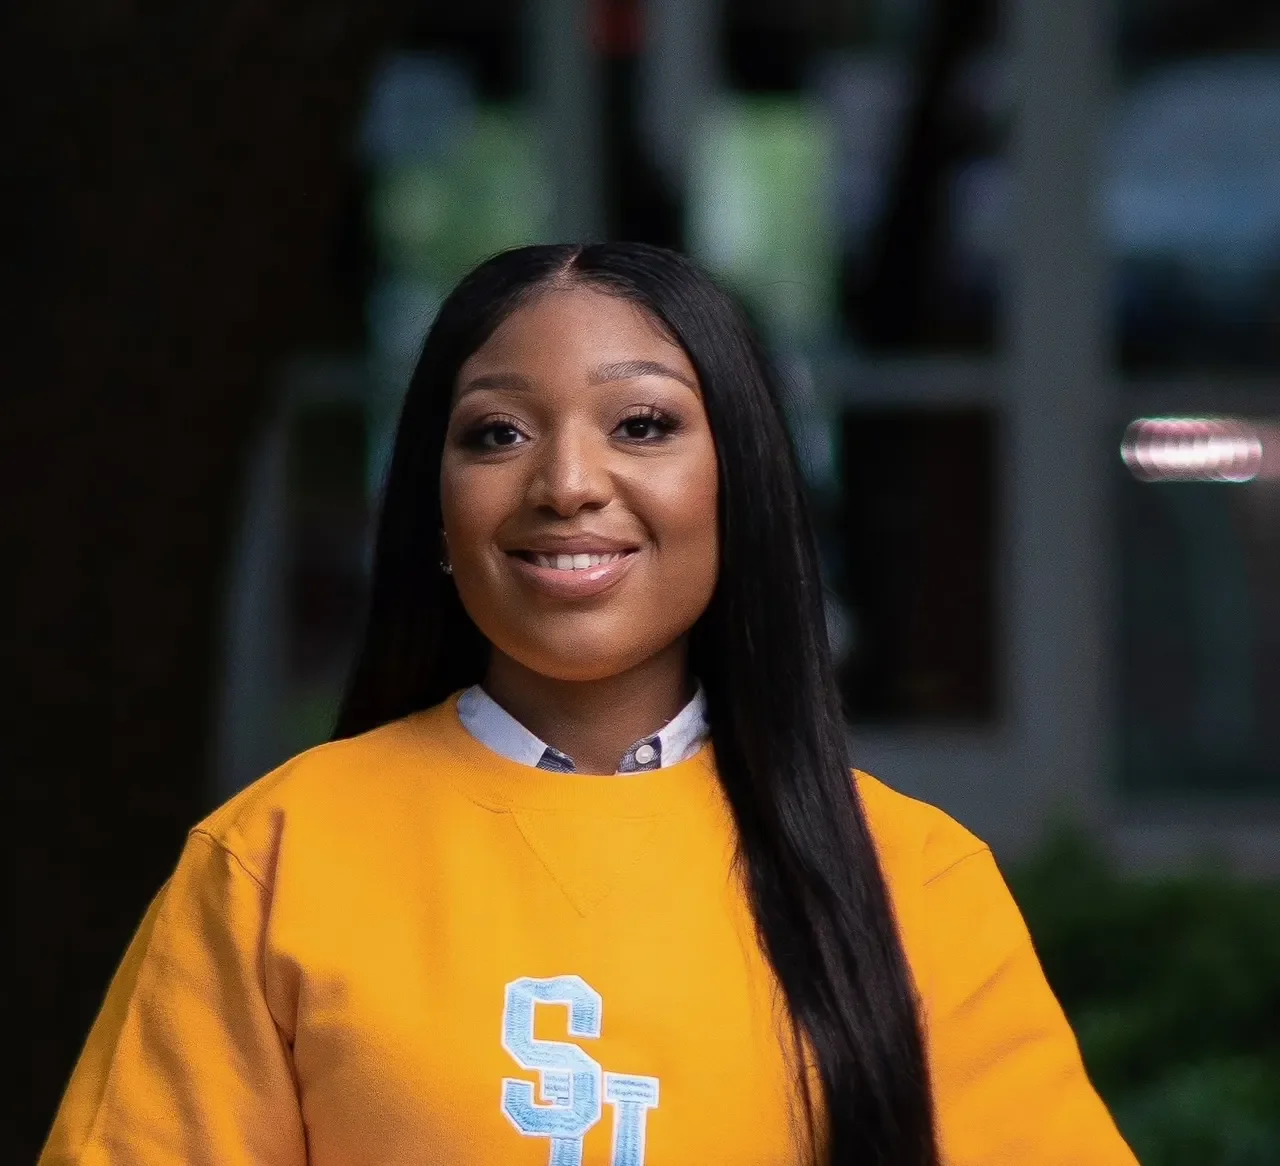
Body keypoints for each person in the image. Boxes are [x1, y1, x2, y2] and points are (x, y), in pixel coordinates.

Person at [41, 242, 1137, 1166]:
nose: (565, 481)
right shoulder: (272, 859)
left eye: (643, 424)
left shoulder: (910, 878)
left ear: (738, 485)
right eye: (495, 433)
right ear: (433, 505)